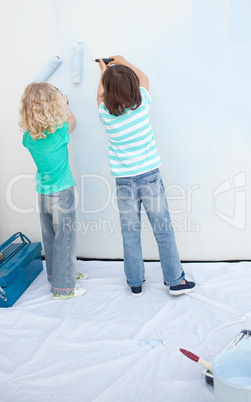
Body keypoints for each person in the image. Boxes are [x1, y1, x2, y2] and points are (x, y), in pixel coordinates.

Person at [97, 56, 196, 297]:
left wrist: (104, 70)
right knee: (163, 230)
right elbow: (144, 79)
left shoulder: (105, 115)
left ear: (108, 91)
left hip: (124, 182)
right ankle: (174, 281)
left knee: (129, 232)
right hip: (150, 178)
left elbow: (100, 96)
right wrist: (123, 61)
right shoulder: (142, 107)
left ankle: (135, 282)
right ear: (133, 89)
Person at [19, 82, 88, 300]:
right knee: (65, 240)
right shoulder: (59, 132)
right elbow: (72, 121)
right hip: (62, 193)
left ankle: (56, 274)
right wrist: (65, 103)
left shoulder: (28, 138)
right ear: (52, 105)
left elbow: (37, 127)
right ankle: (63, 288)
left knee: (50, 237)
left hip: (43, 194)